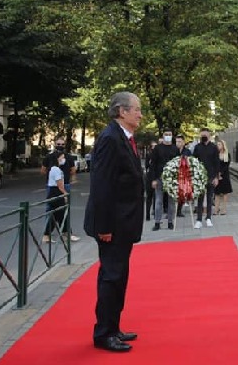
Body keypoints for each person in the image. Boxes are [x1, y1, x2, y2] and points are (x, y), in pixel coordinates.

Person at [83, 91, 144, 353]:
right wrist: (104, 226)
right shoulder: (109, 138)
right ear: (122, 111)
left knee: (119, 276)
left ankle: (113, 327)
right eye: (137, 110)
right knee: (111, 277)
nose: (140, 115)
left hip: (124, 223)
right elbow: (102, 186)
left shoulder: (125, 137)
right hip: (113, 225)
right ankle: (104, 334)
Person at [40, 138, 79, 242]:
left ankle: (58, 233)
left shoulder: (67, 158)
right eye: (58, 144)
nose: (60, 145)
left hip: (59, 185)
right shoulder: (53, 164)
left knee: (58, 210)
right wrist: (64, 191)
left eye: (62, 144)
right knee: (56, 210)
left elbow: (73, 170)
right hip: (58, 187)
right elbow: (44, 171)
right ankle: (53, 233)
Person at [150, 129, 178, 231]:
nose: (168, 136)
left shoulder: (175, 148)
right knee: (158, 201)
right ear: (163, 135)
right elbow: (153, 164)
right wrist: (153, 179)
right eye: (166, 134)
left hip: (171, 179)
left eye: (169, 134)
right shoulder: (157, 148)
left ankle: (170, 222)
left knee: (171, 201)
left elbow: (177, 163)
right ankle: (157, 222)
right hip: (159, 178)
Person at [192, 128, 220, 229]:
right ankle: (199, 219)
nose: (203, 136)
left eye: (205, 135)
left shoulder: (214, 147)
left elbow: (217, 163)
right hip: (200, 177)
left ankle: (208, 218)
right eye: (202, 135)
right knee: (200, 199)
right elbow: (194, 162)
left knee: (209, 198)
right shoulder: (197, 147)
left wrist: (216, 177)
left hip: (211, 176)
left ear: (209, 135)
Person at [42, 151, 69, 244]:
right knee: (58, 214)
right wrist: (65, 194)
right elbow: (60, 185)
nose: (63, 159)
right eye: (62, 157)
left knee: (58, 215)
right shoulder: (56, 170)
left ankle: (65, 233)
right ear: (57, 159)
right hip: (56, 193)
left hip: (53, 192)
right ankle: (47, 235)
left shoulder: (54, 169)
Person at [214, 139, 233, 215]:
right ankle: (216, 209)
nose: (218, 146)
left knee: (225, 193)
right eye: (217, 144)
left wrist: (220, 173)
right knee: (217, 193)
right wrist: (217, 174)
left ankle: (224, 209)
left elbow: (226, 165)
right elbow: (214, 164)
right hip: (216, 175)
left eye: (219, 144)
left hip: (224, 175)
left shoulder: (227, 154)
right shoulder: (215, 154)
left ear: (223, 145)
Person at [174, 135, 191, 218]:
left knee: (181, 193)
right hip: (174, 175)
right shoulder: (173, 150)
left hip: (184, 176)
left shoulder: (187, 151)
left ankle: (179, 211)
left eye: (180, 141)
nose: (178, 143)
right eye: (176, 141)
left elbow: (190, 161)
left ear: (183, 143)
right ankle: (170, 211)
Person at [144, 141, 157, 221]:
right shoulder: (149, 155)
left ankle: (155, 213)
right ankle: (147, 215)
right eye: (153, 146)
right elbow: (146, 166)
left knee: (156, 197)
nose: (155, 148)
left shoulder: (158, 155)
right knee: (149, 197)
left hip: (155, 177)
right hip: (149, 178)